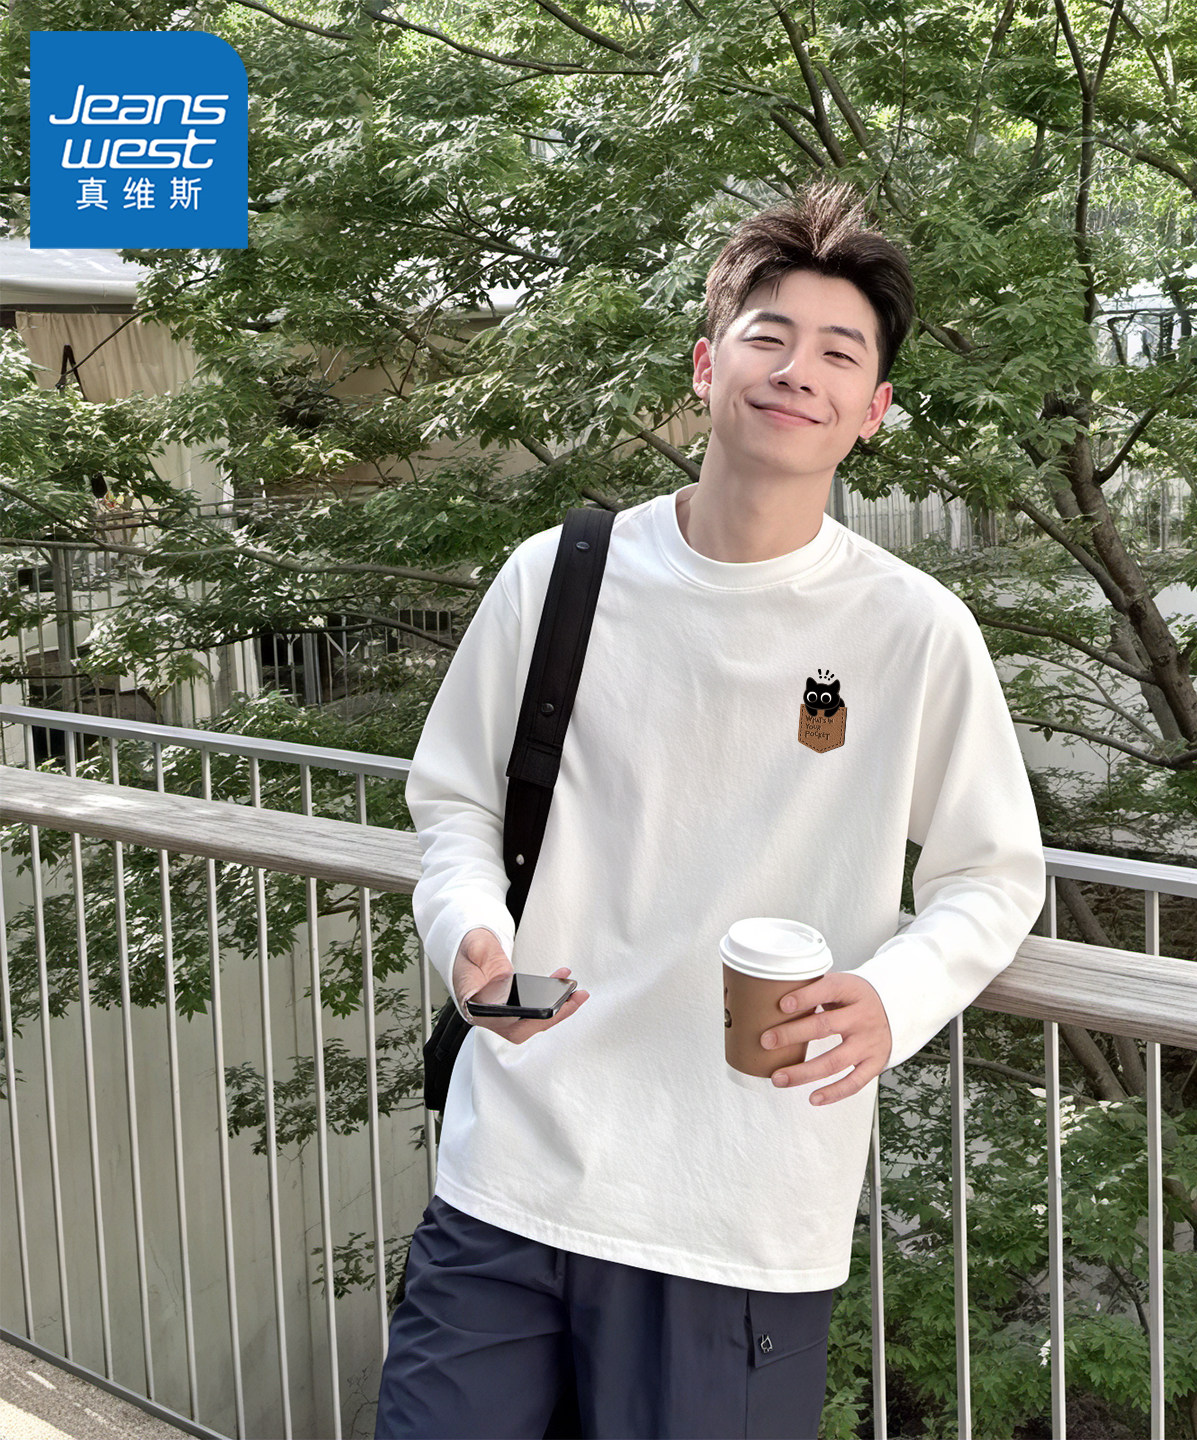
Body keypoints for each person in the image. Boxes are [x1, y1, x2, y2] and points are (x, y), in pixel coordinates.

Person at [374, 178, 1046, 1440]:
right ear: (705, 365)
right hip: (511, 1167)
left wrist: (895, 998)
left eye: (839, 353)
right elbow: (453, 799)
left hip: (738, 1206)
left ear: (874, 411)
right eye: (767, 335)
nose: (797, 371)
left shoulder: (912, 631)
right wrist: (467, 929)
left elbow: (993, 874)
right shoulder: (560, 576)